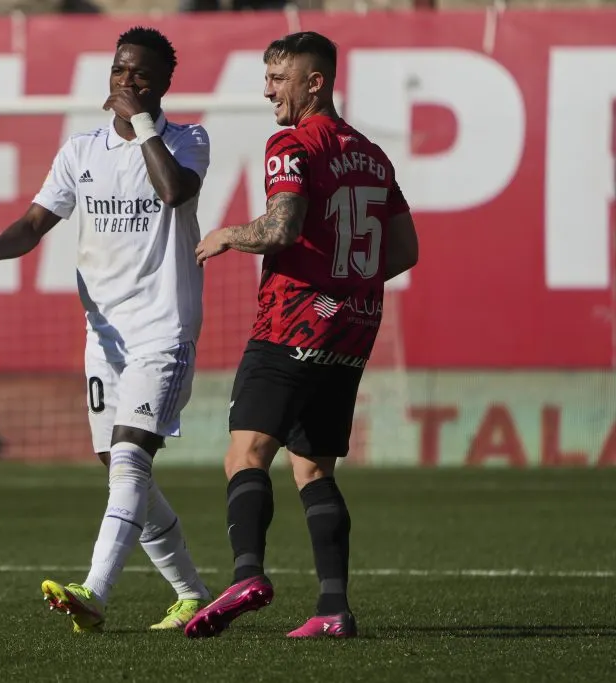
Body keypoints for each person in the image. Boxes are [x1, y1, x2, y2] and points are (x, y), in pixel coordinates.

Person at [0, 26, 213, 633]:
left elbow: (175, 191)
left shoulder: (187, 140)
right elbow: (34, 221)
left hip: (162, 329)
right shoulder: (81, 151)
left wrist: (145, 126)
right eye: (119, 70)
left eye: (141, 74)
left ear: (162, 85)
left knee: (131, 458)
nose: (126, 81)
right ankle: (193, 593)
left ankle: (94, 594)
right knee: (119, 464)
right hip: (103, 337)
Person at [183, 31, 420, 639]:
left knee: (246, 454)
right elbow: (404, 250)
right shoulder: (372, 155)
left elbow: (283, 227)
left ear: (315, 82)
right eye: (266, 78)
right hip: (353, 327)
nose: (268, 91)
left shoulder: (292, 142)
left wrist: (229, 234)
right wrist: (344, 285)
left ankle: (247, 574)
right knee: (314, 469)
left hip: (291, 323)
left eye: (279, 78)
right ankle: (334, 610)